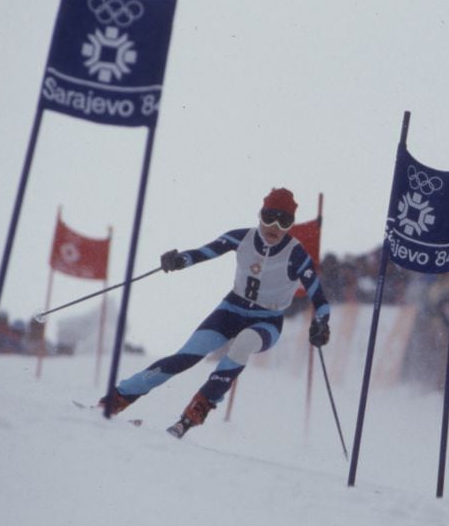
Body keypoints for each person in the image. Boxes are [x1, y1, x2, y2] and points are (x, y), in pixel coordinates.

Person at [100, 188, 331, 439]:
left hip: (267, 321)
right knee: (184, 357)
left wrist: (321, 323)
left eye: (283, 221)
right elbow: (204, 252)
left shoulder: (296, 254)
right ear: (259, 215)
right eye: (268, 217)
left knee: (242, 345)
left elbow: (320, 299)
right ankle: (115, 400)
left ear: (290, 225)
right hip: (230, 310)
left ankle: (193, 414)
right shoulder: (241, 237)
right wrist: (179, 260)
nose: (274, 226)